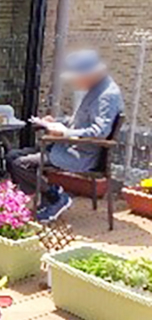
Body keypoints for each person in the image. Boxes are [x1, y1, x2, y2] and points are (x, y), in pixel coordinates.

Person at [7, 49, 124, 221]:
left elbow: (100, 132)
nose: (74, 81)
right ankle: (49, 196)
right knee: (12, 156)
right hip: (68, 147)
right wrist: (55, 121)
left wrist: (64, 132)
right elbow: (81, 121)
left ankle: (55, 197)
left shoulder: (106, 96)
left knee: (20, 164)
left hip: (80, 155)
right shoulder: (97, 88)